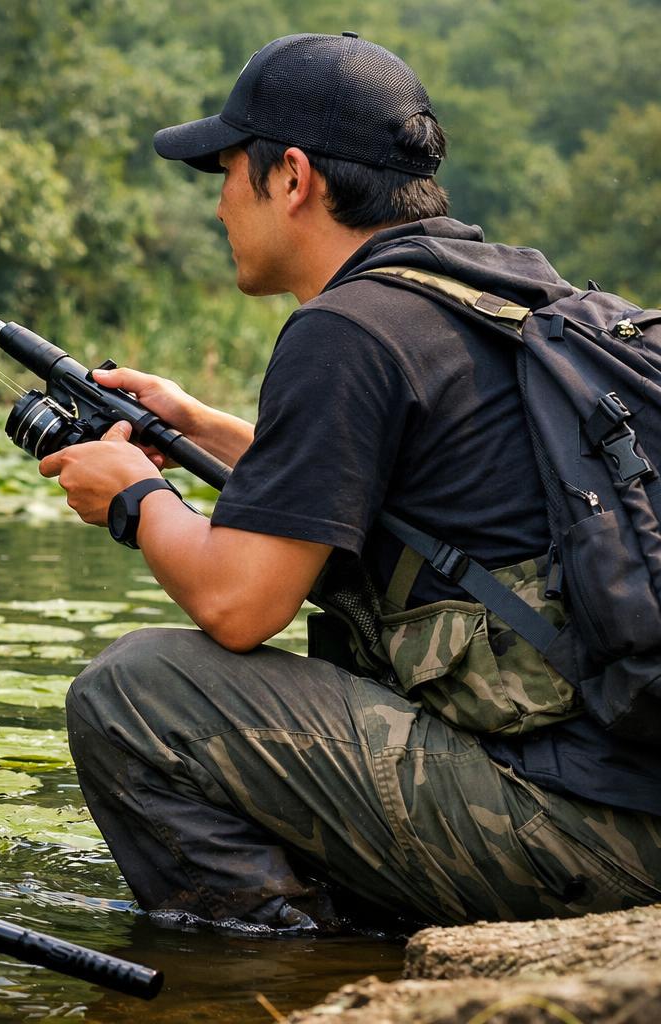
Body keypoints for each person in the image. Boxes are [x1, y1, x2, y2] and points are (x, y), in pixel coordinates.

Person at [41, 31, 661, 930]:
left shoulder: (347, 331)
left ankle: (279, 964)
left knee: (133, 695)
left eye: (225, 173)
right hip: (636, 792)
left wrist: (134, 496)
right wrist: (204, 429)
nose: (219, 207)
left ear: (291, 178)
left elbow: (241, 604)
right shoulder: (497, 291)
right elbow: (410, 498)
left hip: (583, 834)